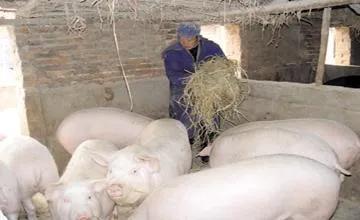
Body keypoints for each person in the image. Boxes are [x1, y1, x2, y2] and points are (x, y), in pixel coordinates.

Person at [162, 22, 225, 157]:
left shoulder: (211, 47)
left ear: (197, 37)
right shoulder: (172, 52)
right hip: (182, 87)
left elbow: (223, 66)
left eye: (189, 40)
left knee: (209, 114)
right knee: (184, 112)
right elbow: (173, 75)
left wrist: (211, 77)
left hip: (207, 86)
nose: (184, 43)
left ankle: (207, 146)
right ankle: (186, 145)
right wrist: (193, 79)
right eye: (181, 39)